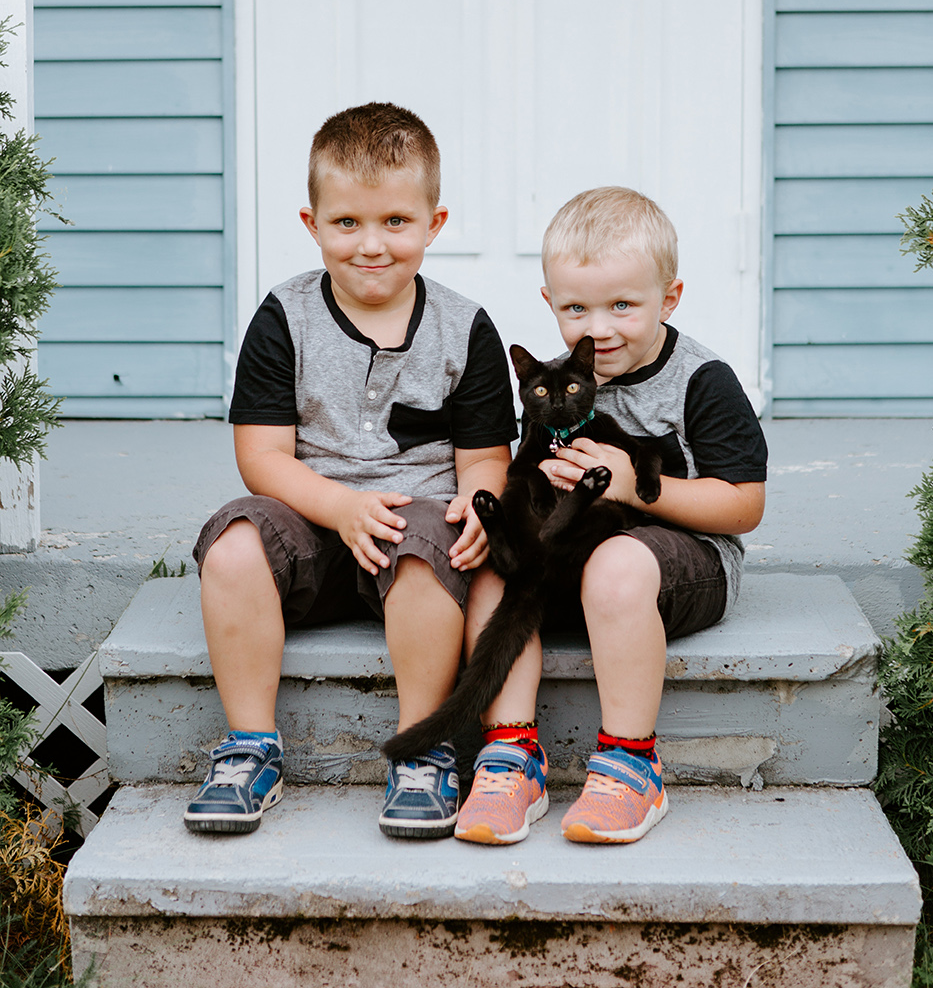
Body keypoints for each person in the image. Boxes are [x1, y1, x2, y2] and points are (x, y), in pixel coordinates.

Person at [184, 103, 516, 839]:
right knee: (235, 543)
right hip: (312, 519)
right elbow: (261, 456)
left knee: (429, 549)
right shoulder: (284, 316)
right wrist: (337, 509)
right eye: (347, 224)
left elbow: (486, 456)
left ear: (435, 222)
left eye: (396, 222)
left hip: (415, 526)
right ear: (311, 223)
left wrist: (482, 503)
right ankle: (249, 747)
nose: (372, 246)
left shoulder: (466, 327)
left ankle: (422, 748)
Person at [454, 186, 767, 846]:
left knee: (617, 565)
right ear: (550, 304)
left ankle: (630, 763)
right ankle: (510, 756)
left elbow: (742, 506)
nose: (598, 326)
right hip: (573, 555)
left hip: (675, 566)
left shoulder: (700, 380)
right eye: (576, 307)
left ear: (669, 298)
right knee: (489, 572)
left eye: (623, 305)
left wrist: (630, 487)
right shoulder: (557, 381)